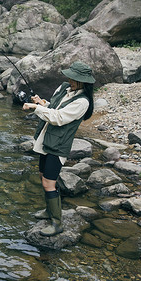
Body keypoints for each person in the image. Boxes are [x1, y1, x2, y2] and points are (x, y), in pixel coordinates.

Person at [22, 61, 95, 236]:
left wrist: (36, 107)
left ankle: (56, 223)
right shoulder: (64, 88)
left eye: (73, 78)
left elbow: (60, 118)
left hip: (58, 145)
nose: (69, 80)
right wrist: (42, 103)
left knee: (49, 182)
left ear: (83, 81)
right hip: (46, 140)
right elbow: (54, 108)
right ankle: (49, 211)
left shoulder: (83, 102)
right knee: (43, 176)